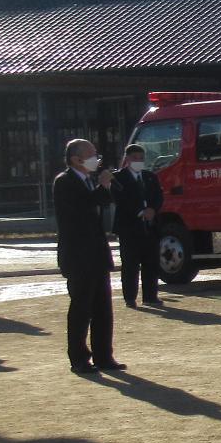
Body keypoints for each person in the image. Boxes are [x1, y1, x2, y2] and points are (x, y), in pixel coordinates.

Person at [54, 137, 121, 374]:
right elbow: (79, 213)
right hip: (77, 255)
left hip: (96, 254)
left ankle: (104, 355)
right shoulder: (64, 182)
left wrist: (105, 187)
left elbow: (101, 205)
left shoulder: (89, 181)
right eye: (91, 154)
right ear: (76, 159)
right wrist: (102, 187)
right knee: (81, 308)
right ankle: (79, 358)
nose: (96, 158)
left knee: (103, 308)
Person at [108, 141, 165, 308]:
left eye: (141, 158)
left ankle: (150, 296)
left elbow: (158, 197)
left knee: (151, 262)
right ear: (127, 159)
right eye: (135, 158)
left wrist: (153, 209)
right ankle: (130, 297)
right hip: (129, 227)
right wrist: (141, 211)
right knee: (130, 264)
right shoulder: (118, 177)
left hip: (150, 226)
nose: (138, 161)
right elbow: (120, 200)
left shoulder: (150, 176)